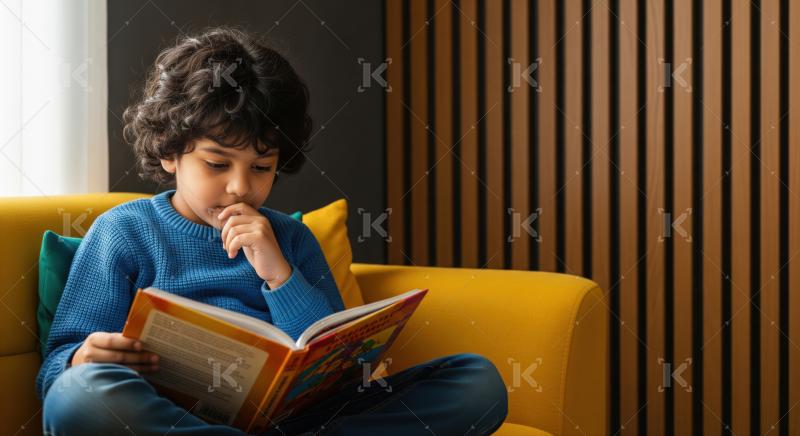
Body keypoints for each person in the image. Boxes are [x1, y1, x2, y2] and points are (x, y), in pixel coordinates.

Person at [37, 26, 508, 435]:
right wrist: (81, 357)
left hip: (301, 421)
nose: (240, 187)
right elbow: (56, 372)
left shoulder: (291, 239)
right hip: (173, 418)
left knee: (476, 383)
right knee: (77, 396)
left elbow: (343, 372)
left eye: (261, 167)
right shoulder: (124, 232)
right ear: (169, 152)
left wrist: (280, 275)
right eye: (217, 164)